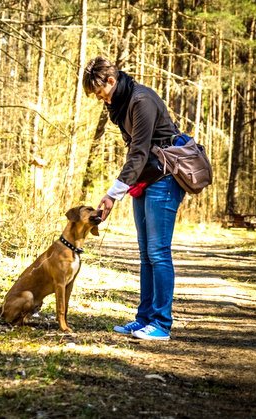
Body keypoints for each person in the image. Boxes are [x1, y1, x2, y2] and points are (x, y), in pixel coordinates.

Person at [83, 56, 185, 341]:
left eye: (100, 91)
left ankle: (161, 325)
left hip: (165, 180)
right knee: (145, 254)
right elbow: (136, 155)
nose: (99, 98)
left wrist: (112, 194)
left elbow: (139, 152)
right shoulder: (121, 105)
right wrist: (123, 187)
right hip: (146, 179)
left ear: (111, 81)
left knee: (158, 252)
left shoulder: (141, 101)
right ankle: (144, 319)